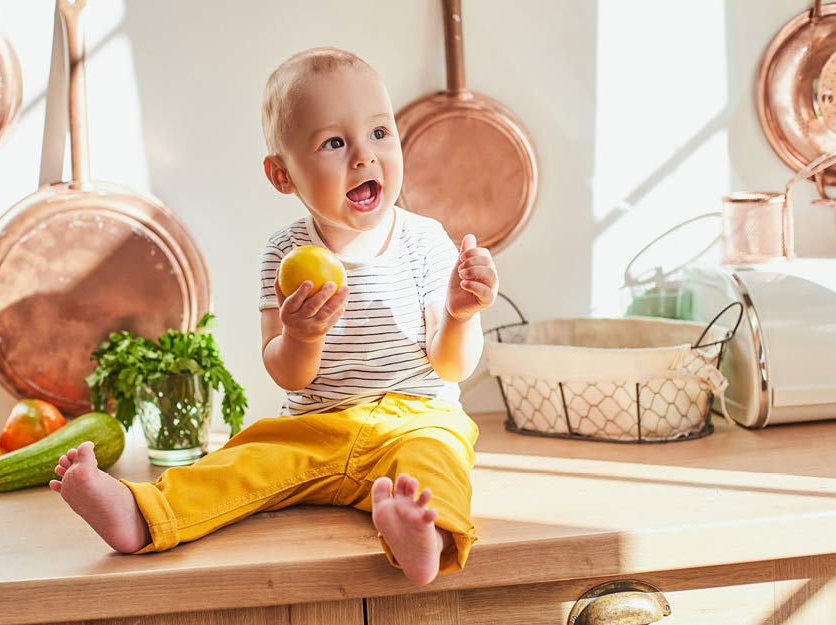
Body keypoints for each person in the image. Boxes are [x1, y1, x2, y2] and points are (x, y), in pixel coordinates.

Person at [50, 47, 500, 586]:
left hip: (416, 418)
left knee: (438, 459)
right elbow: (289, 375)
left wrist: (459, 314)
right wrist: (302, 334)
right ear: (281, 174)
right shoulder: (285, 254)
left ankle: (422, 534)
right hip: (313, 427)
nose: (364, 156)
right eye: (335, 142)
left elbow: (451, 367)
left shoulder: (425, 241)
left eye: (380, 133)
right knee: (239, 462)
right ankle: (142, 514)